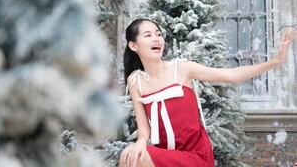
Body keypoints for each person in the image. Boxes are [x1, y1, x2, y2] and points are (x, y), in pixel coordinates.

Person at [118, 18, 297, 167]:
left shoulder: (182, 69)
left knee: (135, 158)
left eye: (158, 34)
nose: (156, 39)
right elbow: (144, 130)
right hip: (165, 153)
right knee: (128, 156)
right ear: (134, 46)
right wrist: (140, 143)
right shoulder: (136, 81)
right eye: (148, 35)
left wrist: (276, 61)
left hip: (196, 155)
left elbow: (232, 75)